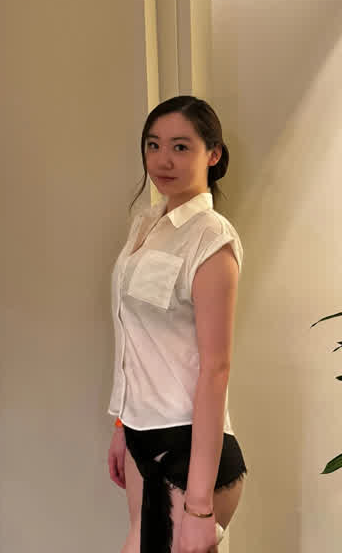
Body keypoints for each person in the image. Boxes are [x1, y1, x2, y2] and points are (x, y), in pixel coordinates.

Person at [107, 95, 248, 553]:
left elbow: (216, 369)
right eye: (153, 145)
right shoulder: (145, 225)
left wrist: (200, 506)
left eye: (181, 147)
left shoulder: (211, 237)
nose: (163, 160)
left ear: (213, 154)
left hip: (186, 448)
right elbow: (135, 340)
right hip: (141, 437)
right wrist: (122, 426)